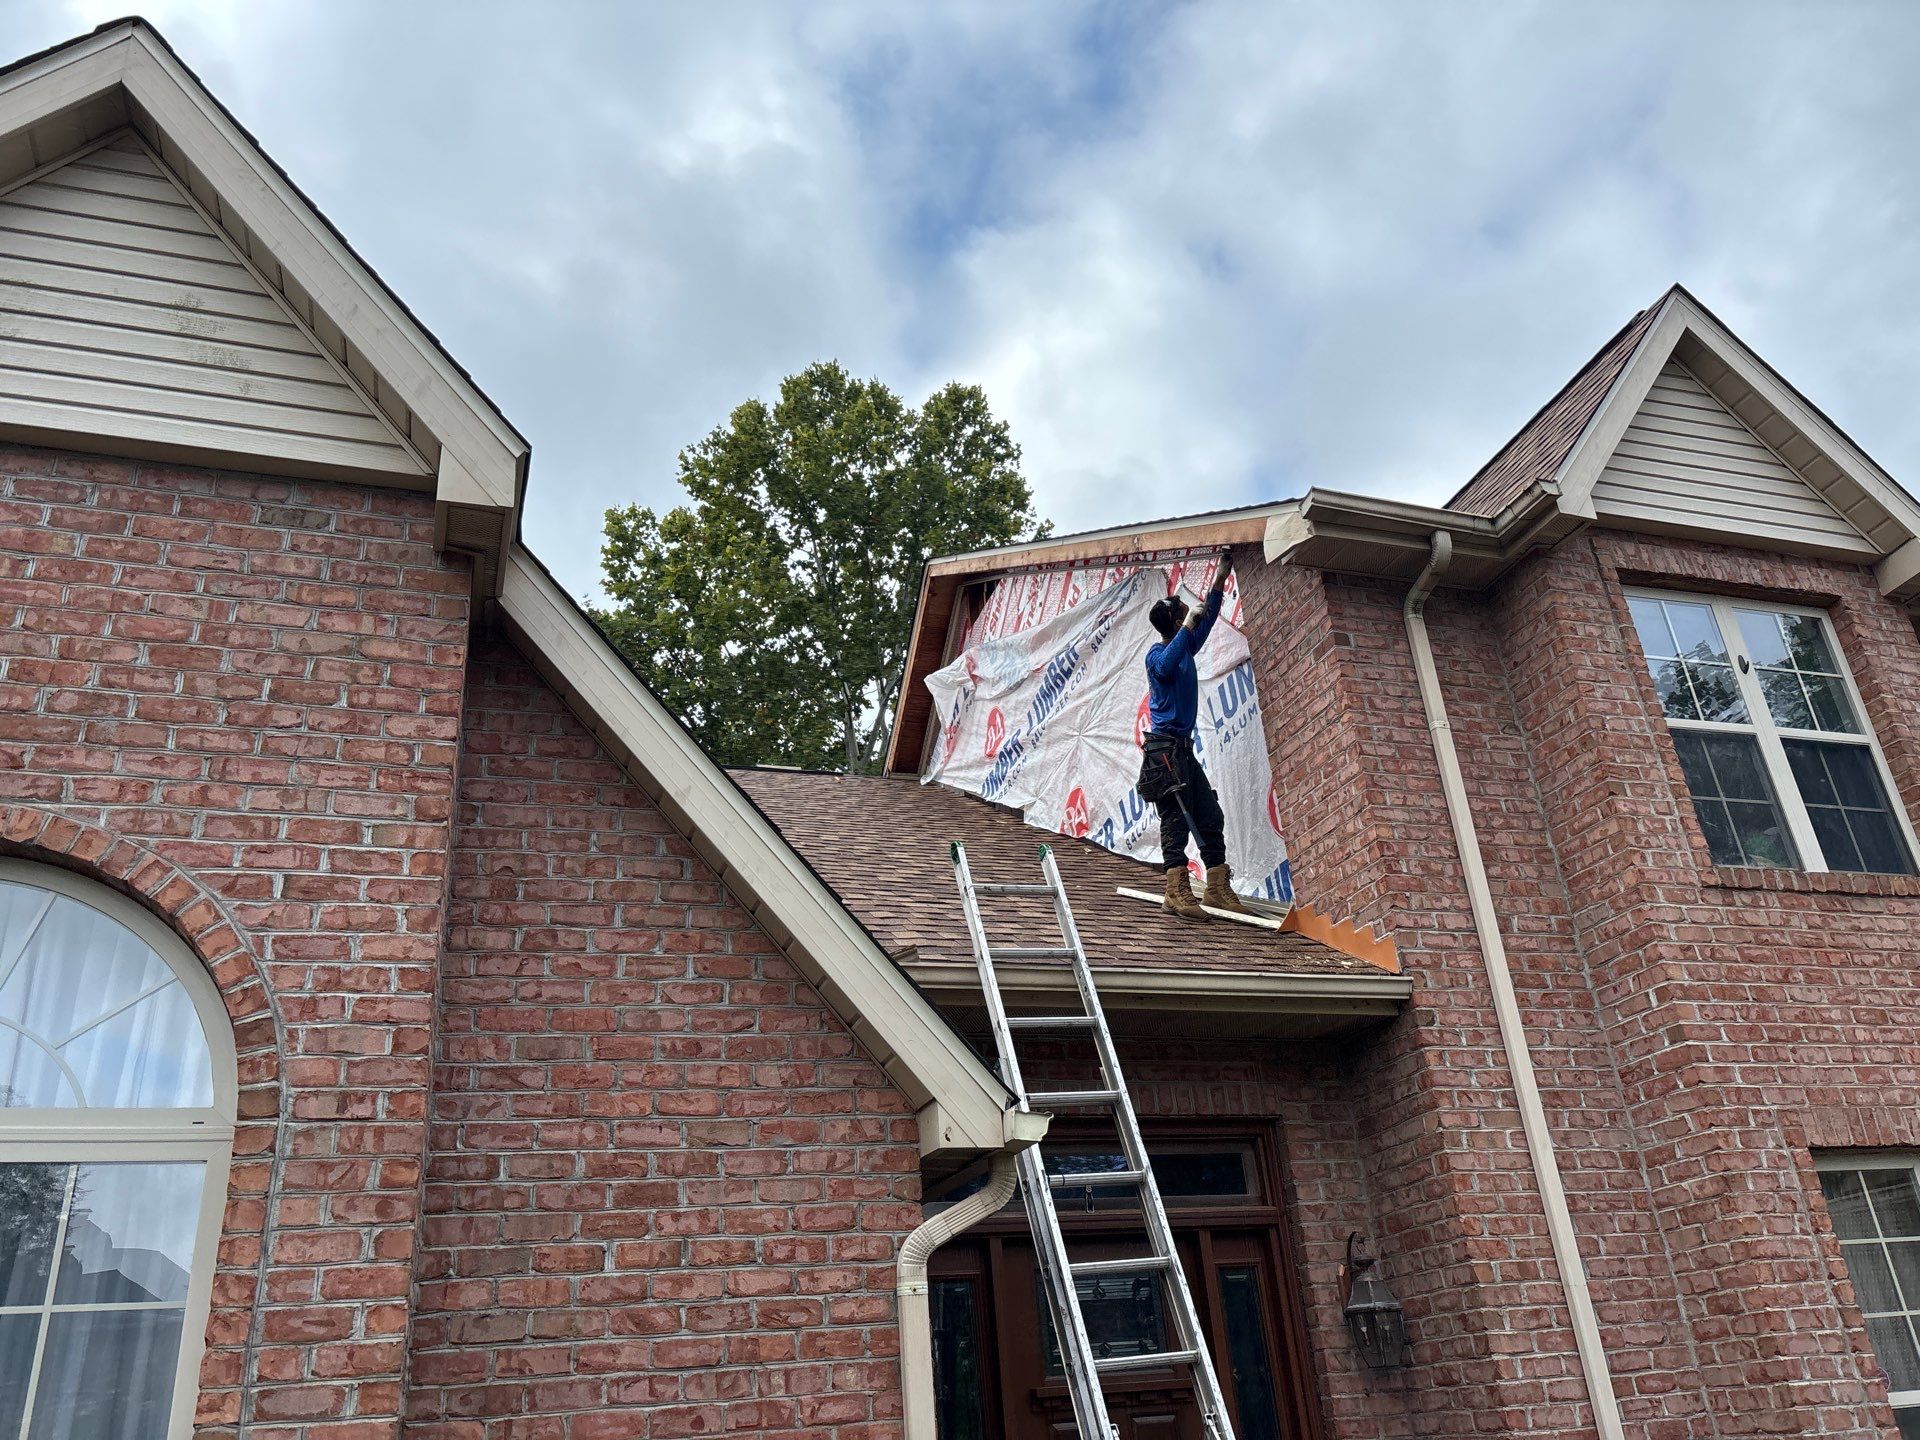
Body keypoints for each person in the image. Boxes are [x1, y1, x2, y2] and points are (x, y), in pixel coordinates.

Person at [1139, 551, 1251, 919]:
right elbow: (1168, 665)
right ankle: (1175, 890)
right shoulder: (1157, 654)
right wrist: (1188, 626)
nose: (1189, 611)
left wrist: (1220, 577)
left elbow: (1209, 615)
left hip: (1182, 750)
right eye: (1183, 611)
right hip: (1164, 750)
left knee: (1208, 812)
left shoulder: (1185, 645)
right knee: (1175, 818)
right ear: (1173, 620)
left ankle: (1217, 887)